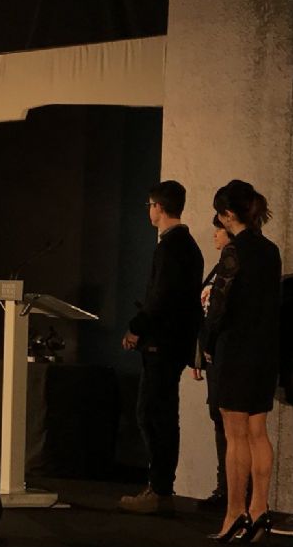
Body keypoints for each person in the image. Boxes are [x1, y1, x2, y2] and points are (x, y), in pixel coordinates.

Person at [201, 180, 280, 542]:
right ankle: (260, 510)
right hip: (265, 351)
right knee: (258, 433)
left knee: (235, 436)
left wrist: (207, 342)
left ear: (228, 214)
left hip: (236, 351)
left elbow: (219, 306)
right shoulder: (270, 250)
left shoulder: (234, 250)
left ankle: (235, 513)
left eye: (219, 214)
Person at [119, 180, 204, 514]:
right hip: (174, 343)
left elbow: (161, 298)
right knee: (163, 414)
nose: (149, 212)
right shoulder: (188, 246)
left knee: (152, 414)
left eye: (150, 205)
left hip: (162, 343)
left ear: (158, 206)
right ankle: (161, 489)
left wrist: (136, 328)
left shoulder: (170, 247)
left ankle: (159, 490)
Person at [192, 215, 233, 509]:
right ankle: (224, 488)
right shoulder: (220, 266)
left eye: (219, 228)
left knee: (231, 423)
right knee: (219, 420)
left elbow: (220, 312)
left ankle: (232, 490)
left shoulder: (233, 265)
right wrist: (199, 354)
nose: (214, 234)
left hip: (226, 356)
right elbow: (206, 314)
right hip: (213, 357)